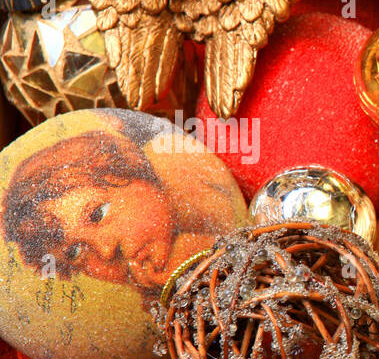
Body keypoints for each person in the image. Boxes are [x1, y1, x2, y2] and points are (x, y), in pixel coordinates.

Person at [2, 118, 240, 303]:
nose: (106, 251)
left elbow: (254, 245)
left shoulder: (177, 162)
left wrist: (212, 254)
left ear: (126, 168)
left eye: (97, 214)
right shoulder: (150, 290)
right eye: (74, 253)